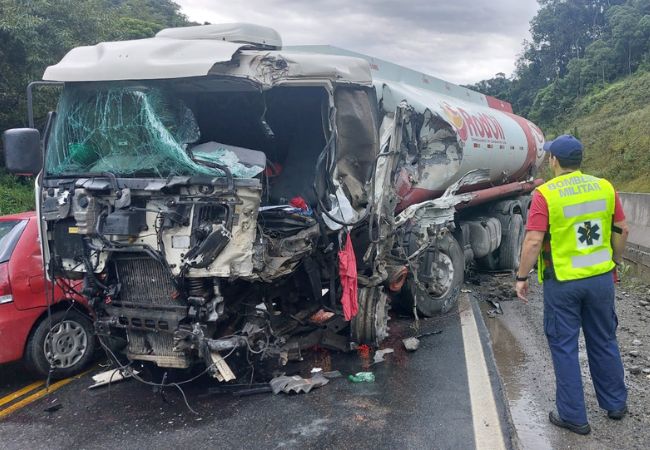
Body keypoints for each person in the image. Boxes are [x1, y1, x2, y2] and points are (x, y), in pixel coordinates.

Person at [515, 134, 629, 435]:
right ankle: (615, 404)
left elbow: (534, 240)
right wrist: (614, 261)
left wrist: (522, 277)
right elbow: (622, 229)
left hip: (564, 282)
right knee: (604, 339)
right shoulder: (605, 187)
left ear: (553, 160)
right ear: (579, 160)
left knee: (564, 347)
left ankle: (573, 416)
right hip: (601, 280)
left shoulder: (546, 195)